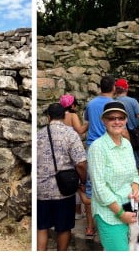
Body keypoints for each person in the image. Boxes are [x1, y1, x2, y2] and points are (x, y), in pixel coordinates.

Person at [88, 101, 139, 251]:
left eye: (120, 118)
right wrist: (120, 213)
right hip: (110, 213)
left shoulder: (126, 144)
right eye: (111, 118)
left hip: (129, 207)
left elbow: (134, 175)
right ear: (104, 121)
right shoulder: (98, 147)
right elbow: (99, 188)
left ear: (126, 120)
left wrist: (136, 188)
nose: (117, 121)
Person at [37, 103, 87, 251]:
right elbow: (81, 163)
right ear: (65, 116)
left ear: (48, 117)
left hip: (41, 190)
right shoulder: (71, 134)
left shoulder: (38, 135)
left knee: (42, 227)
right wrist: (82, 180)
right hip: (64, 190)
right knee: (64, 228)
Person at [80, 75, 116, 237]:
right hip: (110, 146)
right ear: (113, 88)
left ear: (100, 87)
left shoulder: (91, 104)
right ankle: (109, 223)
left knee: (91, 185)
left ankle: (89, 226)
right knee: (111, 184)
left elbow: (86, 125)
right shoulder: (114, 104)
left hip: (92, 146)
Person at [60, 94, 88, 219]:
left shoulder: (59, 117)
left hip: (61, 151)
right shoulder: (72, 115)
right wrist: (89, 123)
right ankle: (77, 212)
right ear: (72, 105)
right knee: (76, 180)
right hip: (72, 150)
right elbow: (80, 130)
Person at [115, 78, 139, 180]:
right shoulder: (133, 101)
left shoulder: (112, 102)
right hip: (134, 139)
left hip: (117, 138)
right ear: (127, 88)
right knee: (138, 165)